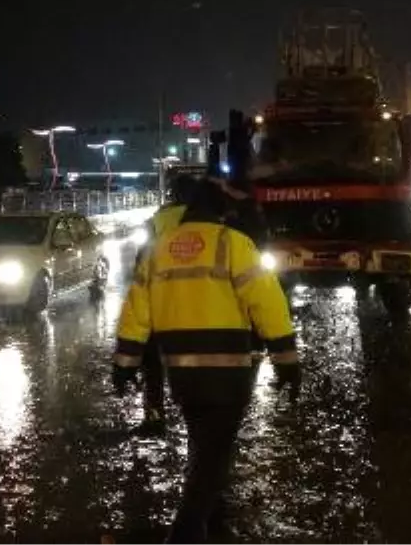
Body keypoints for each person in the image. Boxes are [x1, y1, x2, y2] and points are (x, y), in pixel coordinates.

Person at [113, 179, 300, 543]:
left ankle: (211, 515)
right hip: (228, 371)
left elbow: (137, 309)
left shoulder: (158, 249)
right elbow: (267, 303)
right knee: (215, 449)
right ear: (222, 211)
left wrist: (125, 362)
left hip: (181, 371)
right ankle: (187, 530)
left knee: (203, 441)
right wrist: (287, 360)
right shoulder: (234, 244)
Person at [133, 173, 199, 434]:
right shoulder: (212, 221)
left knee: (153, 365)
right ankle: (197, 417)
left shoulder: (157, 221)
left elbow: (141, 263)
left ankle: (154, 416)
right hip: (201, 304)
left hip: (162, 302)